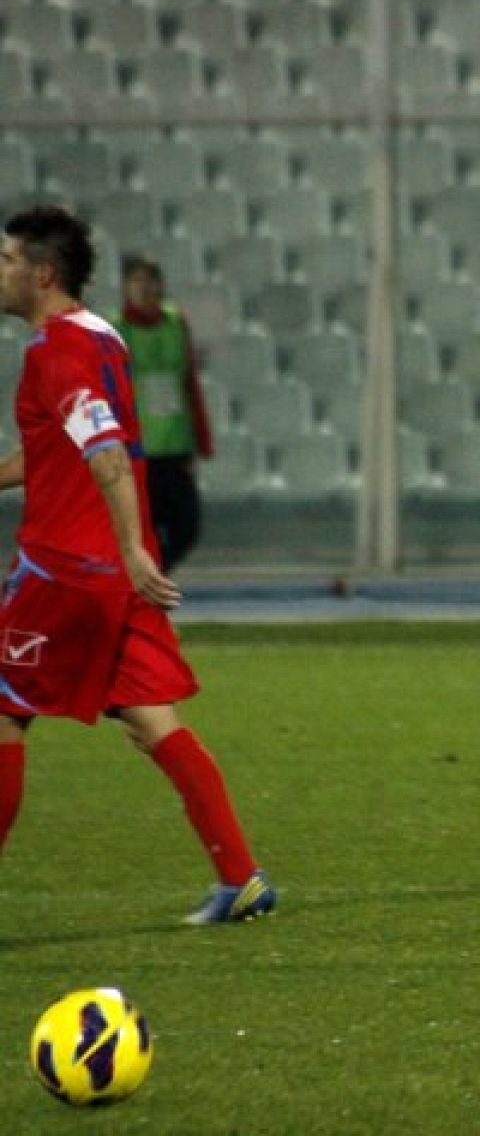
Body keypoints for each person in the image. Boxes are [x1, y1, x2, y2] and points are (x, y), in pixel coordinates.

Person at [0, 206, 275, 925]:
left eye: (6, 260)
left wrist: (131, 547)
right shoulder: (102, 336)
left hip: (65, 570)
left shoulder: (55, 351)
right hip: (112, 578)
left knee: (3, 714)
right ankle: (241, 878)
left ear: (43, 274)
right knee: (153, 721)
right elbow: (61, 446)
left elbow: (105, 452)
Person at [110, 255, 214, 572]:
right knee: (144, 528)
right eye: (137, 281)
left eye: (150, 281)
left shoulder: (175, 322)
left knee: (186, 527)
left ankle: (151, 576)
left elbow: (189, 381)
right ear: (126, 288)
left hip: (175, 444)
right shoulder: (115, 329)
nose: (145, 288)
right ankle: (143, 584)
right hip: (136, 449)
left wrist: (201, 438)